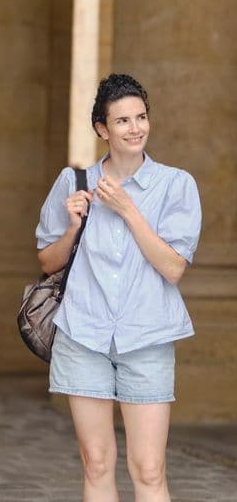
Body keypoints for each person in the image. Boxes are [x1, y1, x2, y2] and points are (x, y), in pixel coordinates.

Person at [36, 73, 202, 502]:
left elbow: (173, 268)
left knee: (149, 469)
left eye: (141, 117)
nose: (135, 128)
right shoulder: (73, 182)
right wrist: (73, 228)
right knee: (96, 462)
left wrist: (128, 210)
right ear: (101, 129)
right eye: (123, 120)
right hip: (83, 336)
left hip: (147, 338)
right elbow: (48, 262)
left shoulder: (175, 185)